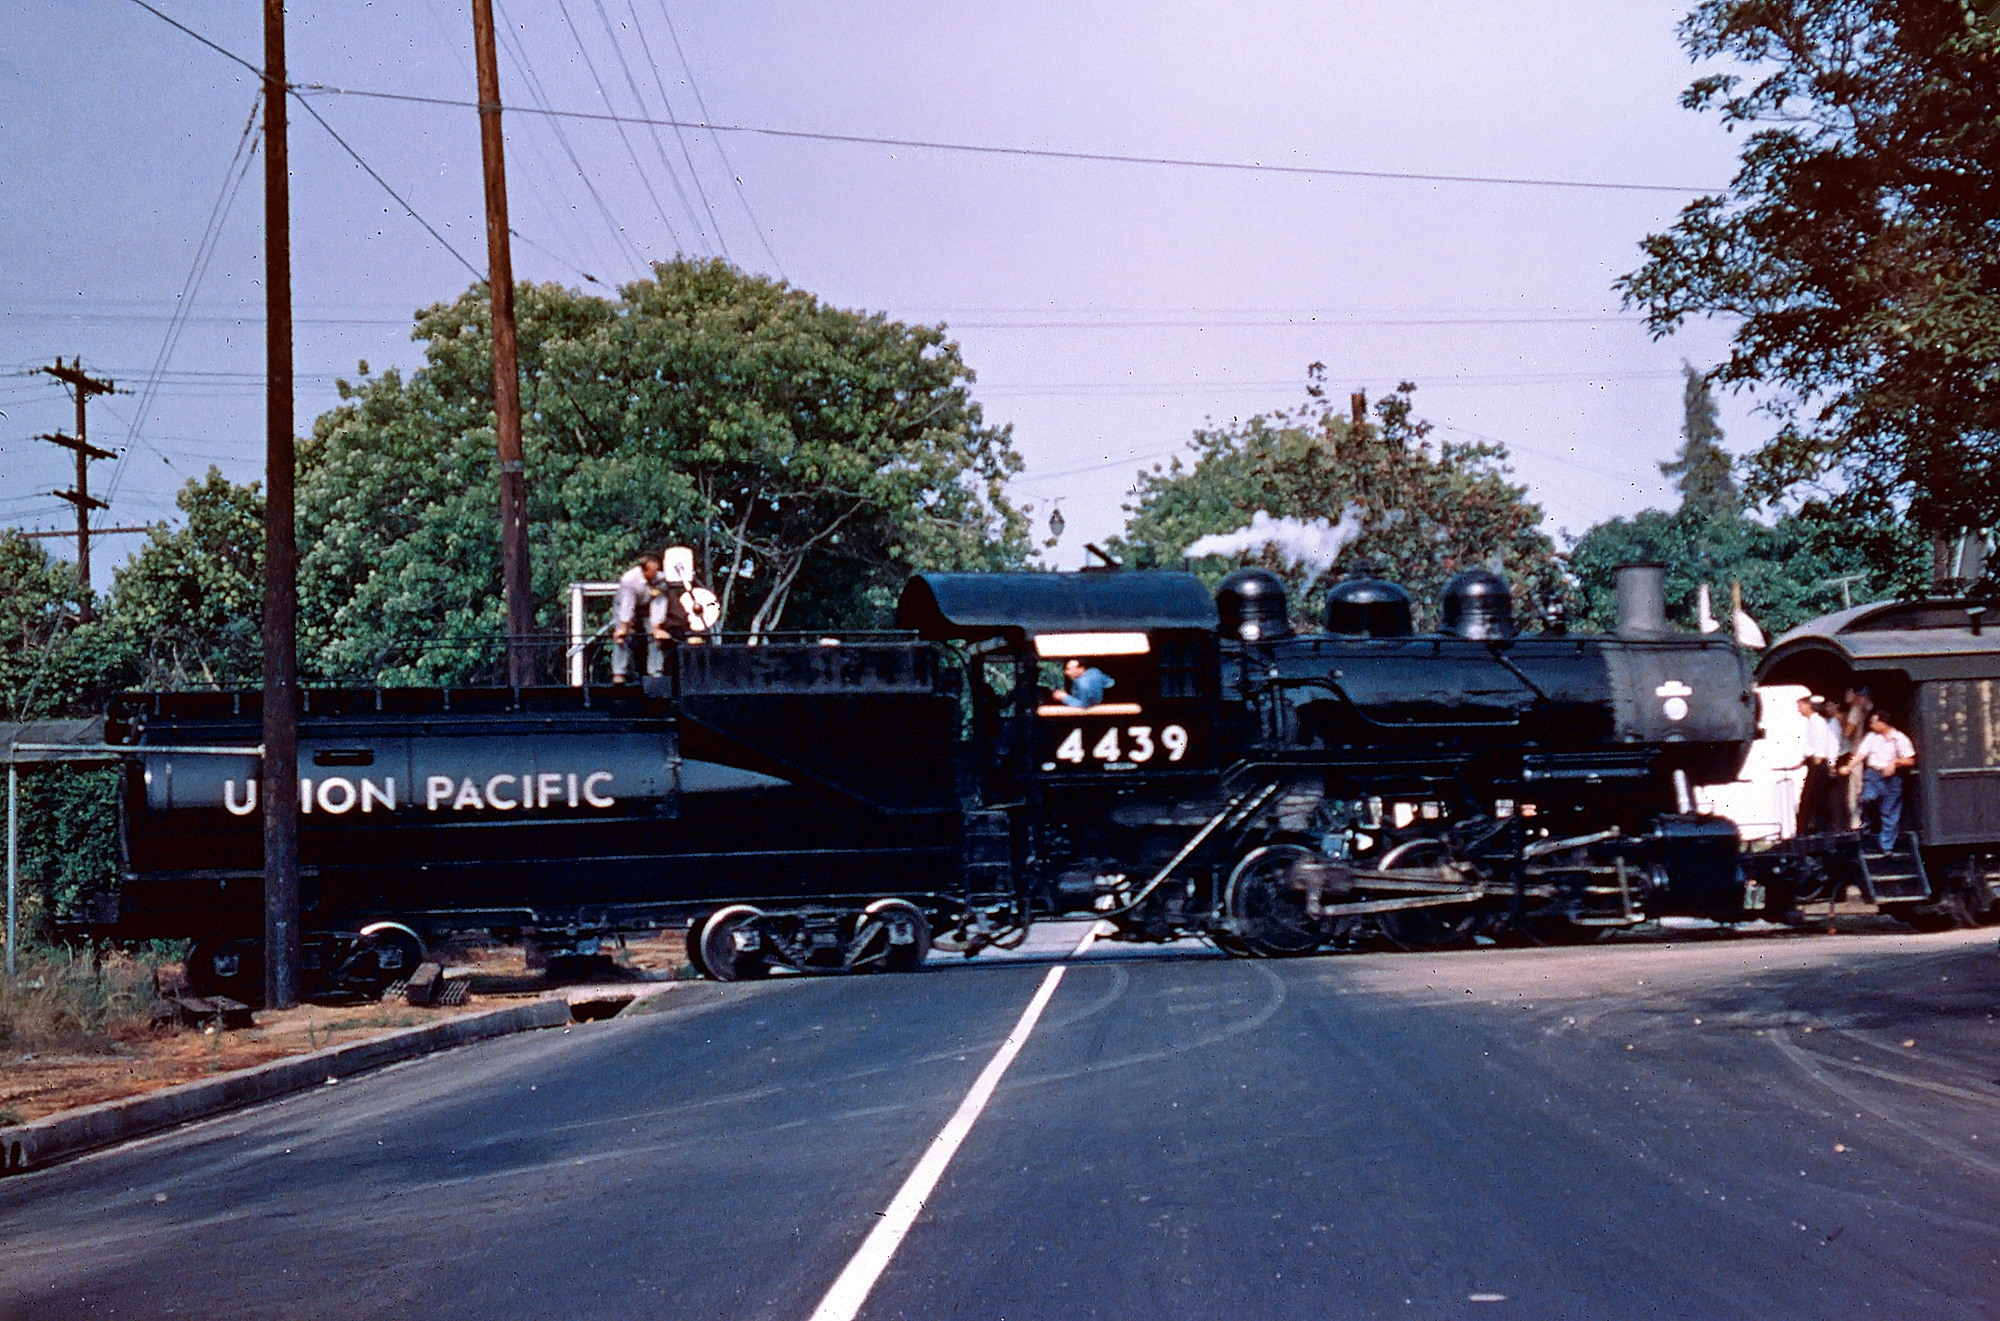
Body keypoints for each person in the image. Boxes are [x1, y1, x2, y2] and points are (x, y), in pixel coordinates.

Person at [1856, 710, 1918, 852]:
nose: (1871, 725)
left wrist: (1895, 762)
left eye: (1874, 722)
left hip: (1891, 778)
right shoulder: (1871, 737)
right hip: (1873, 774)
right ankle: (1868, 823)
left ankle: (1886, 846)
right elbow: (1861, 754)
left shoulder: (1900, 738)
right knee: (1867, 798)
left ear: (1883, 723)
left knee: (1889, 811)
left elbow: (1910, 760)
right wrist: (1849, 766)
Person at [1789, 694, 1843, 835]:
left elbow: (1820, 747)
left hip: (1818, 764)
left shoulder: (1817, 722)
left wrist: (1818, 760)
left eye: (1800, 706)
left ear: (1808, 705)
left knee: (1808, 799)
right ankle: (1816, 829)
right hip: (1812, 762)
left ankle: (1804, 831)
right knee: (1817, 800)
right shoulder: (1810, 722)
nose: (1799, 709)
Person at [610, 553, 663, 684]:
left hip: (647, 608)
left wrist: (656, 627)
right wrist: (624, 626)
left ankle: (655, 672)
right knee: (622, 638)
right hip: (624, 606)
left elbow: (659, 603)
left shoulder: (661, 579)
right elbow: (627, 605)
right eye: (653, 572)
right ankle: (619, 672)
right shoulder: (629, 580)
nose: (656, 574)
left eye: (657, 570)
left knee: (655, 637)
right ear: (644, 570)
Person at [1838, 685, 1875, 829]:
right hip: (1859, 752)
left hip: (1856, 752)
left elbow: (1847, 732)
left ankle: (1857, 823)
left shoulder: (1855, 710)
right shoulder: (1861, 710)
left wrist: (1840, 718)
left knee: (1855, 791)